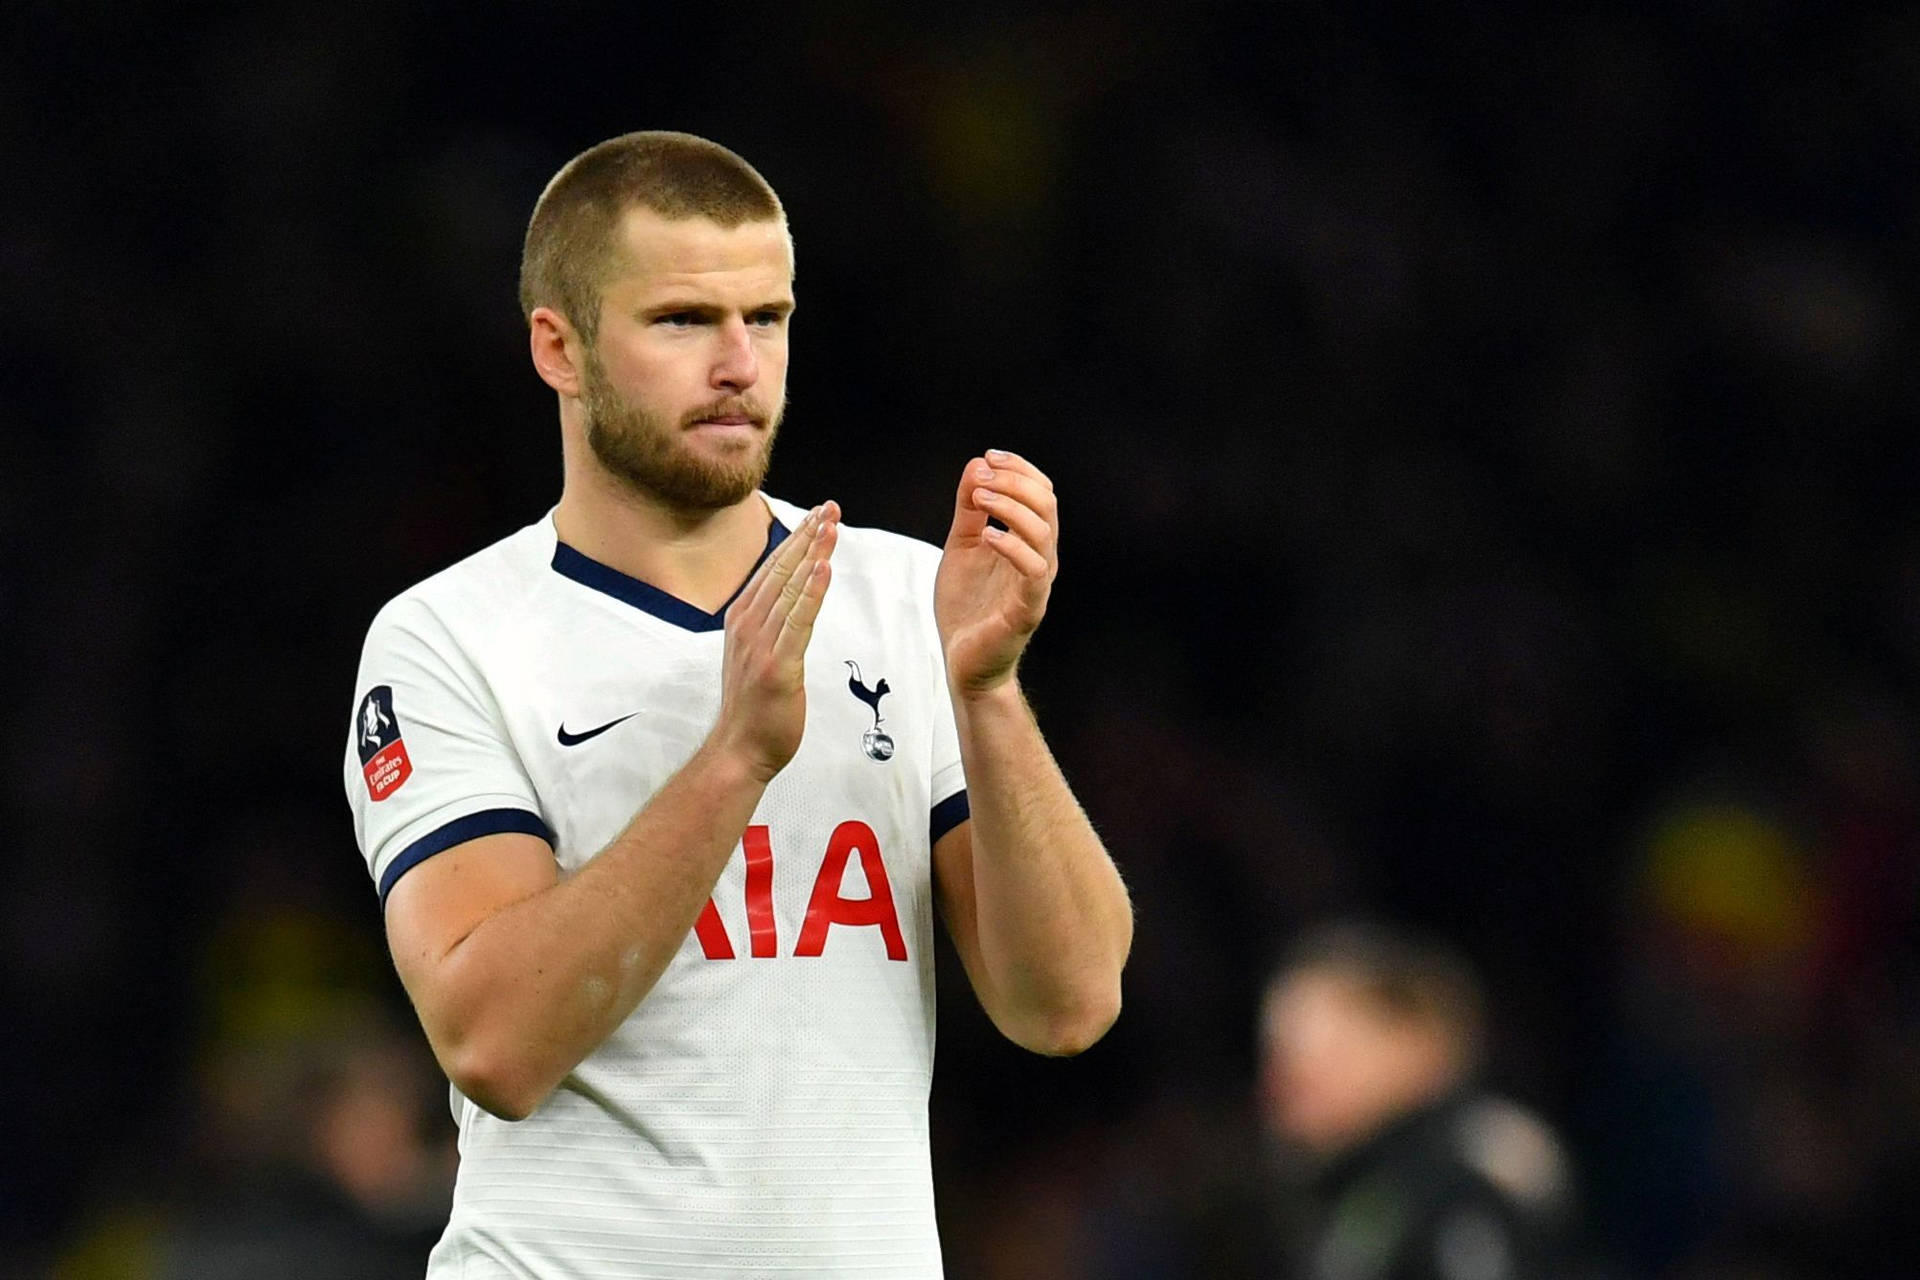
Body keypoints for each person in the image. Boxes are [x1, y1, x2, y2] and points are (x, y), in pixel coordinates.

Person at [341, 130, 1132, 1277]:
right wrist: (732, 761)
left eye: (766, 318)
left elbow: (1064, 1003)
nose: (739, 364)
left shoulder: (906, 595)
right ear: (558, 347)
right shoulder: (448, 638)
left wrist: (989, 690)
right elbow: (495, 1042)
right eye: (681, 321)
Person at [1258, 922, 1578, 1280]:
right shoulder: (1348, 1188)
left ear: (1404, 1043)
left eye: (1312, 1054)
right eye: (1276, 1057)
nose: (1280, 1084)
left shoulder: (1458, 1180)